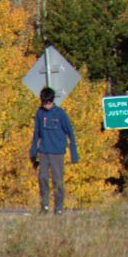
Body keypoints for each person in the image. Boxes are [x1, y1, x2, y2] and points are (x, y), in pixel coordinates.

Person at [28, 86, 78, 214]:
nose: (47, 105)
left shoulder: (60, 114)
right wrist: (33, 153)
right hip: (44, 152)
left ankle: (59, 208)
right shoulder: (40, 113)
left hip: (57, 153)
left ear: (52, 101)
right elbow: (36, 134)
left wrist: (74, 154)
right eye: (45, 102)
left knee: (57, 180)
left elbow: (70, 133)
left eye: (49, 102)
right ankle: (44, 206)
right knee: (43, 178)